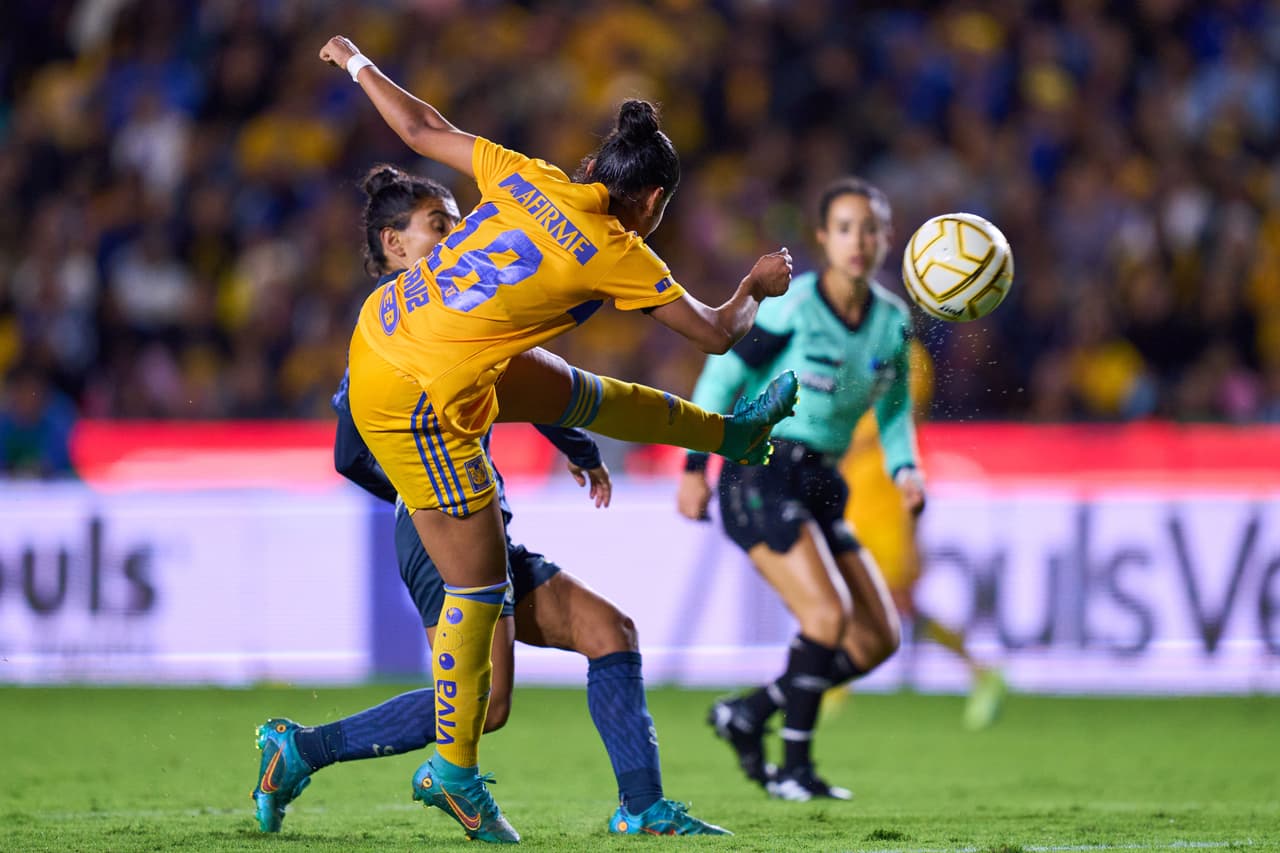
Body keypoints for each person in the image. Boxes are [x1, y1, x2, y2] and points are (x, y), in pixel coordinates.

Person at [314, 35, 797, 843]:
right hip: (423, 398)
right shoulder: (618, 250)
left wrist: (358, 62)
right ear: (651, 203)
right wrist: (755, 284)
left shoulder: (531, 176)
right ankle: (452, 771)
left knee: (581, 394)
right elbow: (717, 333)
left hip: (390, 336)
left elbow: (423, 128)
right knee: (476, 595)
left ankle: (731, 436)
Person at [251, 166, 729, 837]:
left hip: (482, 520)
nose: (455, 235)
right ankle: (299, 750)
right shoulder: (388, 338)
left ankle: (642, 807)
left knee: (608, 632)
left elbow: (514, 377)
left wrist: (575, 443)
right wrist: (424, 499)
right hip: (437, 531)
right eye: (439, 226)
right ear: (396, 245)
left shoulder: (456, 309)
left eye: (456, 221)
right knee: (487, 703)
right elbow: (348, 452)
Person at [677, 176, 922, 801]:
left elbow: (894, 412)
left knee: (878, 638)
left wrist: (905, 470)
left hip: (819, 477)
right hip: (760, 468)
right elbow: (721, 375)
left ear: (888, 239)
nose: (859, 241)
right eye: (845, 228)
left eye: (870, 229)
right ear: (822, 238)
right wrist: (692, 467)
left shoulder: (893, 321)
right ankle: (794, 769)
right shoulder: (793, 307)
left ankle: (751, 714)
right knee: (825, 616)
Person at [842, 343, 1006, 730]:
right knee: (852, 594)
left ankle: (982, 672)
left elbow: (904, 420)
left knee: (898, 601)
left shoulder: (906, 355)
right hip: (856, 498)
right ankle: (829, 689)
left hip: (889, 497)